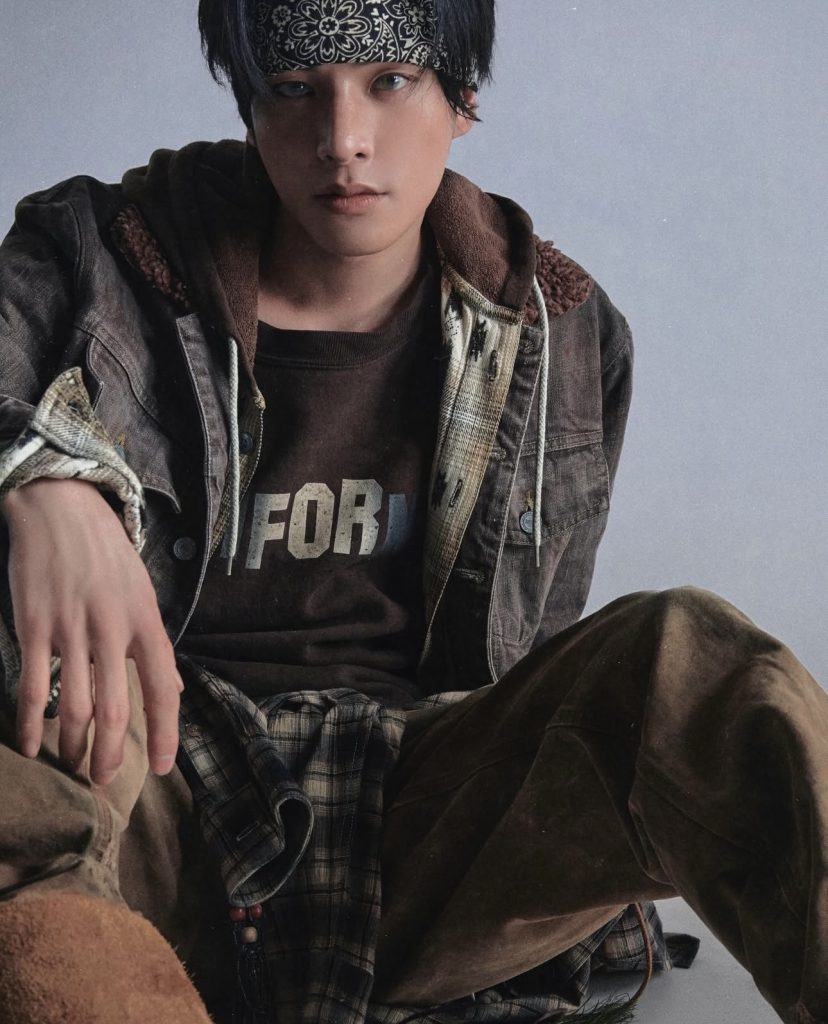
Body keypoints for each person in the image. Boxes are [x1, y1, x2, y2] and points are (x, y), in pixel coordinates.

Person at [0, 3, 826, 1023]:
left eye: (389, 81)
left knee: (697, 667)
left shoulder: (566, 334)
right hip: (143, 799)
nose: (342, 138)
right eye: (294, 89)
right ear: (249, 102)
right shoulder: (97, 254)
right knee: (23, 735)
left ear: (462, 97)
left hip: (420, 820)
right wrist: (45, 476)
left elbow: (535, 670)